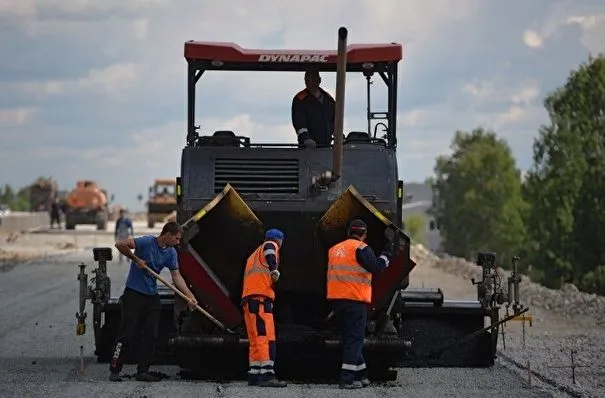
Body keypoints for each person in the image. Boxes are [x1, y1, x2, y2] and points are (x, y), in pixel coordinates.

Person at [109, 221, 198, 382]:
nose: (178, 242)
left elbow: (176, 277)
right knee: (126, 333)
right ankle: (115, 369)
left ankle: (142, 371)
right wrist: (136, 259)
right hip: (134, 294)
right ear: (168, 235)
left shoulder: (171, 253)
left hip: (151, 296)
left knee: (152, 335)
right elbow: (120, 244)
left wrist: (190, 296)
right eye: (177, 239)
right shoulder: (145, 242)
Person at [326, 219, 396, 389]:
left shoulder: (334, 249)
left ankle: (362, 375)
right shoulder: (361, 248)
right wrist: (387, 255)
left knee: (349, 338)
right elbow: (376, 267)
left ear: (349, 232)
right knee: (355, 340)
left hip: (337, 301)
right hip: (354, 300)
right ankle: (347, 379)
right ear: (364, 235)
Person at [241, 228, 288, 388]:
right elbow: (270, 250)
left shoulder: (253, 256)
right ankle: (267, 375)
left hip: (249, 301)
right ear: (279, 241)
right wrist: (274, 268)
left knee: (254, 339)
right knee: (265, 337)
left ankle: (254, 375)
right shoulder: (270, 245)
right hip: (260, 300)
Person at [291, 68, 335, 148]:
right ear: (305, 81)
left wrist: (338, 134)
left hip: (326, 146)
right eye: (308, 80)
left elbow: (334, 121)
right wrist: (305, 139)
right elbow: (299, 123)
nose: (310, 83)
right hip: (308, 148)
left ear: (319, 80)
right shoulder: (300, 99)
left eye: (313, 80)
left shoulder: (329, 100)